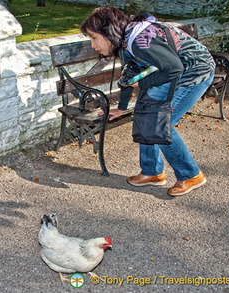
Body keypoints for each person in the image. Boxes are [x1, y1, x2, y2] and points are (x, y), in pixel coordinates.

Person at [80, 7, 215, 196]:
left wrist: (144, 84)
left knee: (161, 124)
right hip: (172, 71)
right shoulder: (126, 40)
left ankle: (190, 175)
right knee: (145, 113)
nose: (93, 45)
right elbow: (129, 76)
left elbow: (173, 68)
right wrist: (121, 108)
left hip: (194, 72)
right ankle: (152, 173)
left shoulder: (140, 41)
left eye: (94, 38)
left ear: (108, 31)